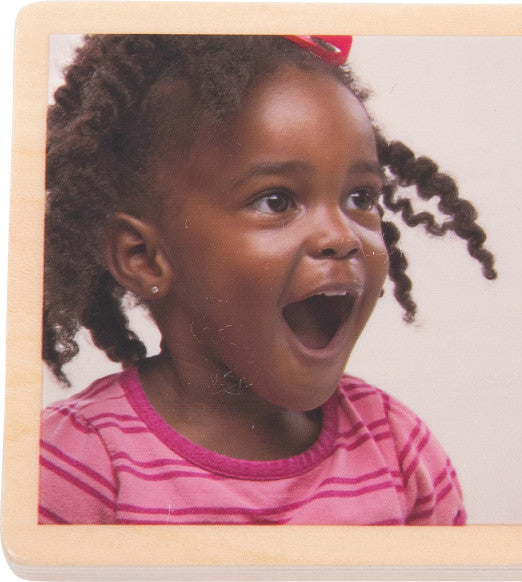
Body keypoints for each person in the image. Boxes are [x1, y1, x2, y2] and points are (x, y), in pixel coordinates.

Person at [39, 35, 496, 525]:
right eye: (276, 201)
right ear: (144, 257)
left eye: (361, 197)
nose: (342, 236)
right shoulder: (76, 464)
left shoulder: (400, 450)